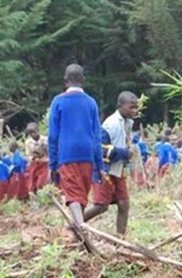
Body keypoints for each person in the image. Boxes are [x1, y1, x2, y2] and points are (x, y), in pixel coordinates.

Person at [48, 64, 104, 231]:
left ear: (65, 81)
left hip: (67, 153)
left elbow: (53, 136)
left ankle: (81, 228)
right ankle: (80, 233)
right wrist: (99, 164)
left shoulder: (58, 102)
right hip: (87, 154)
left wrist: (52, 163)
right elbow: (97, 136)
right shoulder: (91, 103)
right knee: (81, 195)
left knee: (72, 194)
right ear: (83, 80)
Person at [84, 92, 139, 236]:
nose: (134, 110)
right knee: (101, 206)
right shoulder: (111, 124)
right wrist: (124, 153)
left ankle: (121, 239)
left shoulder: (128, 122)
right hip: (105, 169)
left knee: (124, 203)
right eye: (131, 107)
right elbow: (100, 149)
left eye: (136, 107)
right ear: (120, 106)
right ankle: (75, 224)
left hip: (118, 169)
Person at [25, 123, 49, 194]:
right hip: (35, 164)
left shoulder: (45, 139)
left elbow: (50, 151)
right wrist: (33, 158)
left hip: (46, 163)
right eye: (30, 133)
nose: (32, 134)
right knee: (32, 182)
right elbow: (28, 155)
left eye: (33, 132)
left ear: (37, 131)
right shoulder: (28, 142)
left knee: (42, 182)